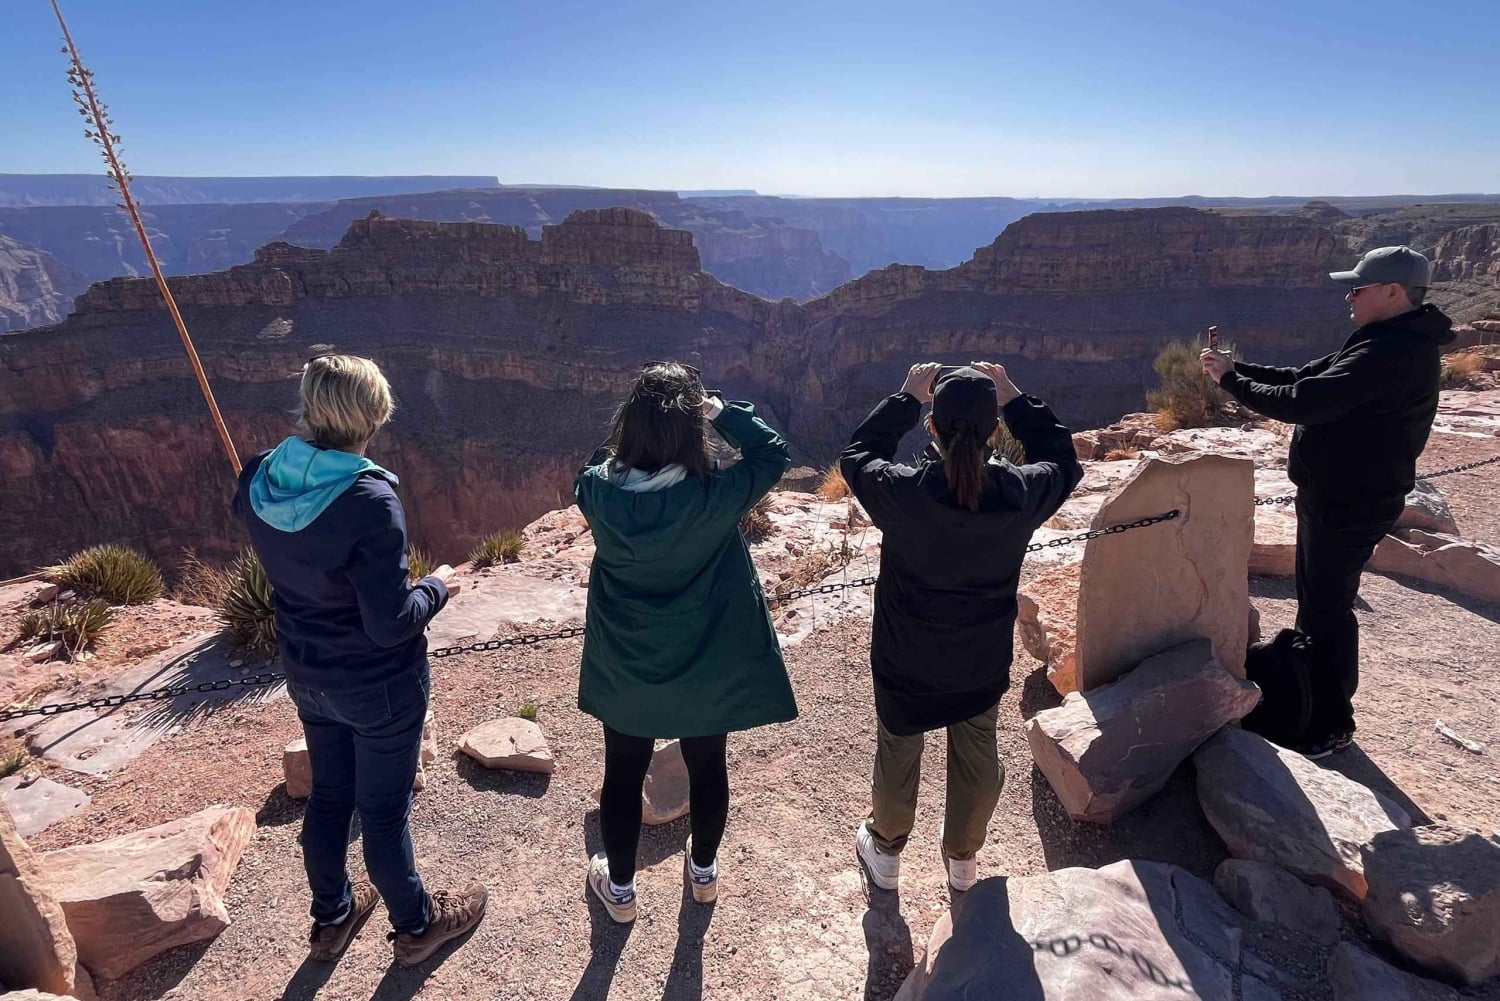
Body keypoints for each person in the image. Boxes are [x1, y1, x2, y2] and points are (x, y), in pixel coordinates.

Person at [232, 354, 487, 966]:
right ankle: (418, 925)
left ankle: (333, 916)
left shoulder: (258, 479)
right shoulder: (369, 498)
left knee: (328, 799)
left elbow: (261, 525)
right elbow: (390, 622)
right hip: (378, 685)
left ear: (309, 406)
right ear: (374, 415)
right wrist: (440, 586)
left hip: (306, 674)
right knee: (381, 812)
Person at [1201, 246, 1455, 758]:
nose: (1349, 295)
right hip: (1341, 494)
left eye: (1358, 287)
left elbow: (1306, 404)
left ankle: (1329, 723)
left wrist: (1230, 382)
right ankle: (1310, 697)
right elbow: (1305, 377)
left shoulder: (1390, 352)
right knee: (1318, 602)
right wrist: (1236, 368)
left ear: (1392, 292)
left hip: (1350, 499)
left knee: (1327, 609)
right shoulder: (1389, 339)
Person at [841, 362, 1083, 892]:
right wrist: (1015, 398)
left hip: (907, 656)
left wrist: (906, 396)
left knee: (898, 748)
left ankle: (885, 849)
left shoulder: (902, 494)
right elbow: (1064, 460)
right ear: (995, 429)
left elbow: (857, 455)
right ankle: (963, 858)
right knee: (977, 752)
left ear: (933, 428)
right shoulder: (1021, 494)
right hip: (981, 656)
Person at [574, 361, 796, 922]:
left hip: (628, 662)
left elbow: (595, 464)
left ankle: (620, 893)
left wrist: (633, 434)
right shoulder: (714, 497)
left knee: (622, 771)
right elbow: (772, 455)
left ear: (631, 427)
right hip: (705, 661)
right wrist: (720, 411)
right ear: (692, 431)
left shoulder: (598, 495)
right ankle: (703, 874)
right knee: (708, 764)